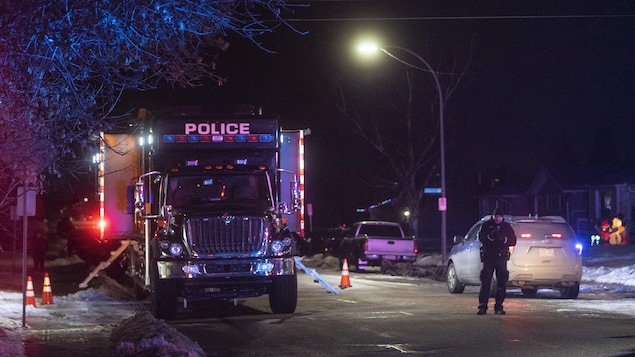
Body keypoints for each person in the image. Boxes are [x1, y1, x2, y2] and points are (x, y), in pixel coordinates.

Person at [477, 208, 517, 315]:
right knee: (486, 282)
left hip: (501, 257)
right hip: (489, 256)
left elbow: (513, 240)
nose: (497, 219)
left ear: (502, 217)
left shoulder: (506, 227)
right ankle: (482, 306)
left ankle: (499, 306)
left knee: (501, 282)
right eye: (496, 216)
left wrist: (504, 240)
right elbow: (481, 238)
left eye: (499, 217)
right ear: (493, 216)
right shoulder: (486, 225)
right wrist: (490, 237)